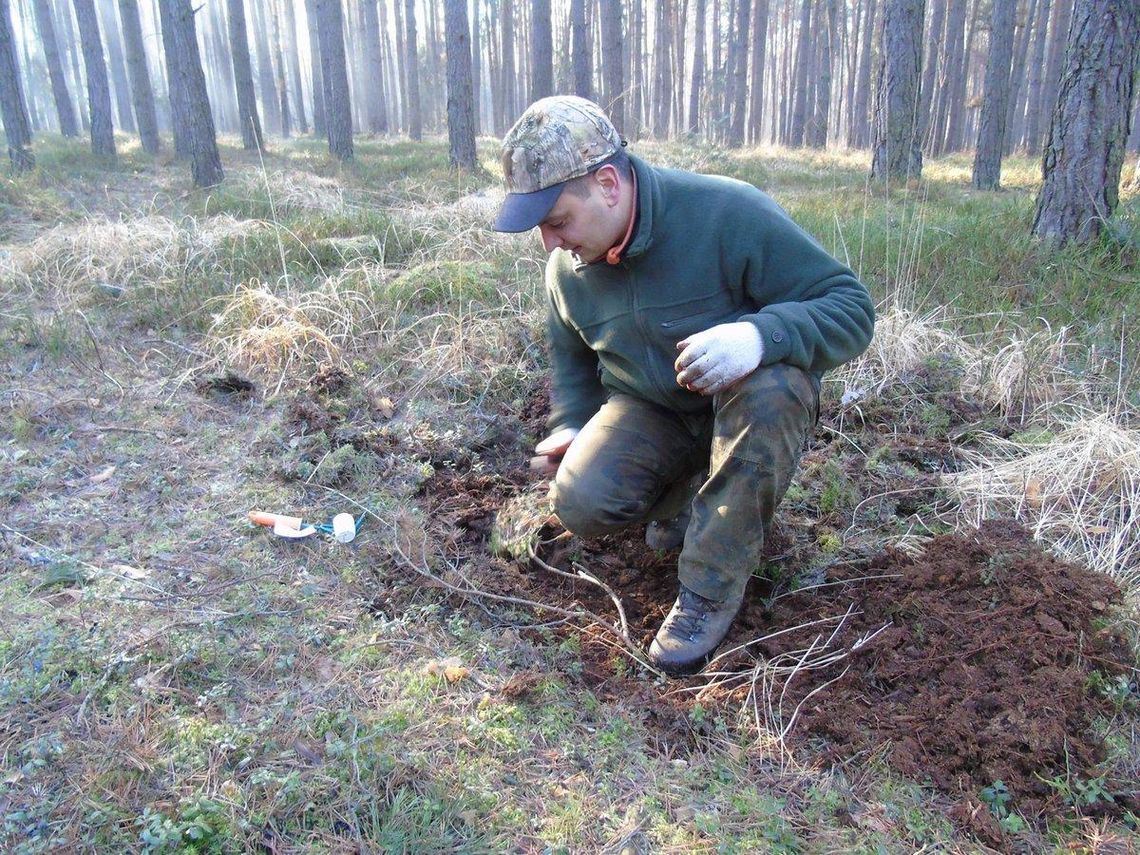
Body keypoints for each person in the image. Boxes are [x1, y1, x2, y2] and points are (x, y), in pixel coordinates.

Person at [492, 96, 874, 676]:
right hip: (651, 408)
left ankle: (708, 591)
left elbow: (850, 306)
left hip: (748, 404)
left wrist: (760, 335)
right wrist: (571, 423)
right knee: (581, 501)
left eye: (558, 220)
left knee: (774, 390)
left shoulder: (725, 212)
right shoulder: (566, 271)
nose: (550, 242)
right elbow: (570, 357)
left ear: (608, 183)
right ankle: (699, 490)